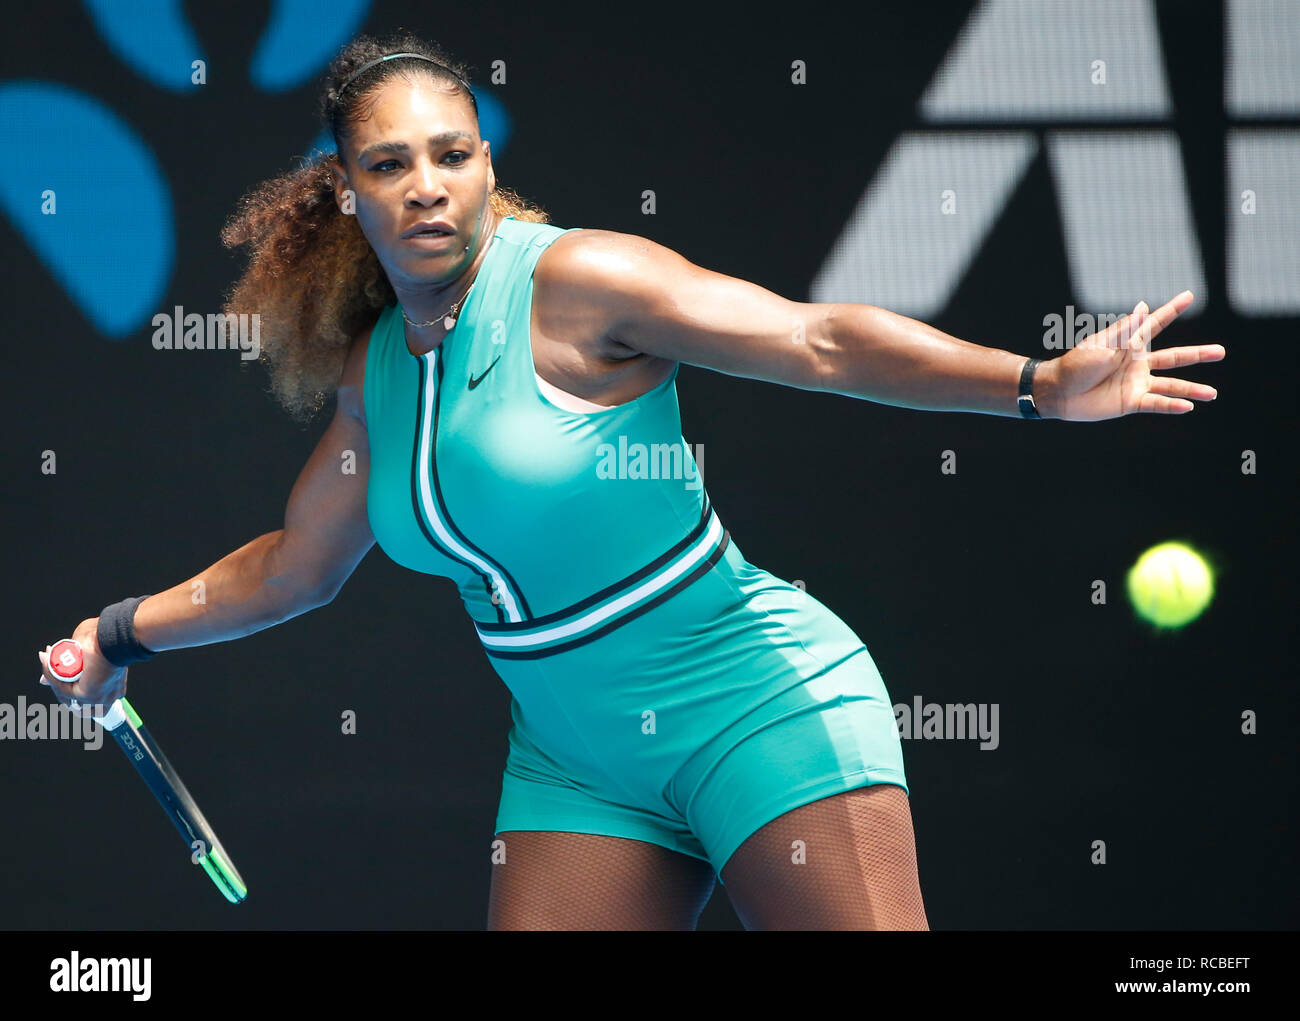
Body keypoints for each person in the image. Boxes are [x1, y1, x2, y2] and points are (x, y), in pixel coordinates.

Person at [38, 32, 1225, 930]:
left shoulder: (581, 282)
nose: (428, 185)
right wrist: (118, 631)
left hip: (757, 704)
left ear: (486, 165)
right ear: (345, 191)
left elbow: (820, 340)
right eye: (389, 165)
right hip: (572, 761)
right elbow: (293, 567)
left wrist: (1033, 382)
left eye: (453, 155)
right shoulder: (372, 379)